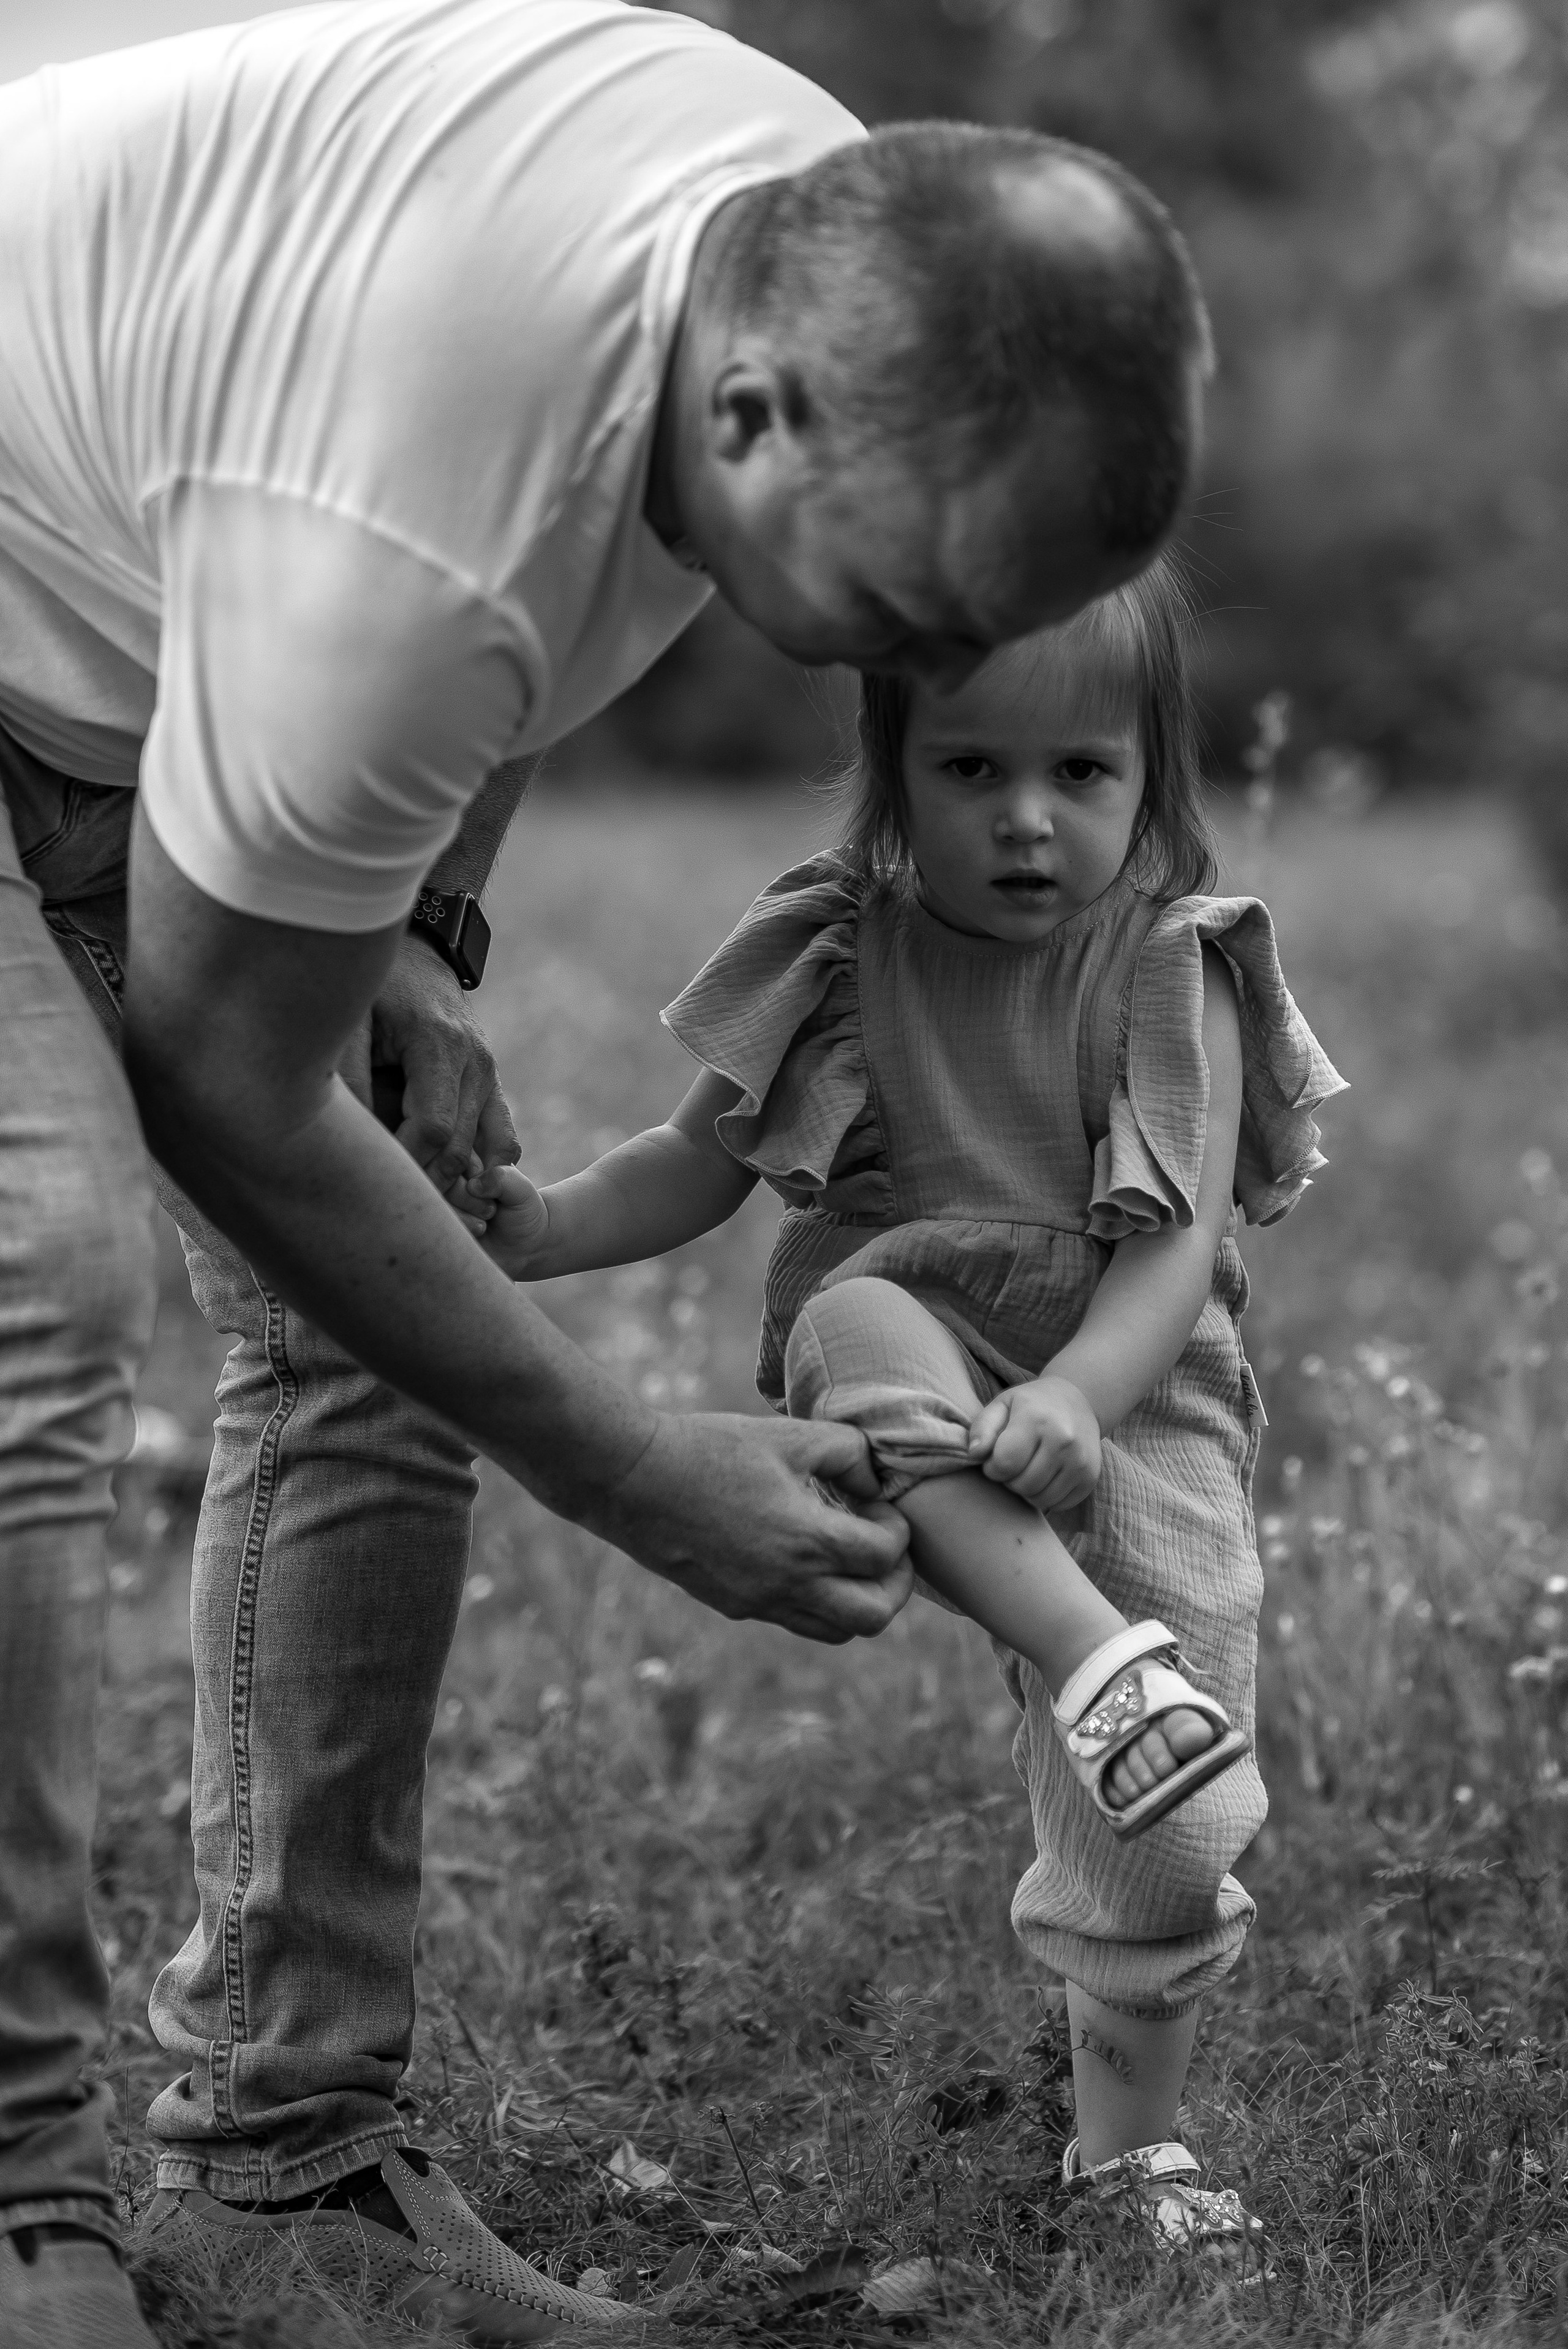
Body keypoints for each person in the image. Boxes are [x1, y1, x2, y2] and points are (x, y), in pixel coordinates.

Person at [0, 2, 1215, 2340]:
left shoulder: (797, 225)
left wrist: (424, 931)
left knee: (397, 1255)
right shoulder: (415, 528)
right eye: (926, 604)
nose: (945, 670)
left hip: (168, 618)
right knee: (42, 1280)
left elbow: (545, 606)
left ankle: (289, 2146)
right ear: (751, 412)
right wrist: (632, 1461)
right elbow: (223, 1076)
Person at [471, 554, 1346, 2263]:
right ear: (891, 763)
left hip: (1137, 1383)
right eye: (971, 771)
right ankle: (1089, 1654)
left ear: (1151, 778)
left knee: (1163, 1824)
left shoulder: (1183, 966)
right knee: (862, 1300)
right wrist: (544, 1228)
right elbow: (693, 1160)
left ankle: (1128, 2154)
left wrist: (1085, 1404)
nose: (1027, 820)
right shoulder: (841, 946)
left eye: (1080, 774)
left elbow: (1171, 1256)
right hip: (915, 1351)